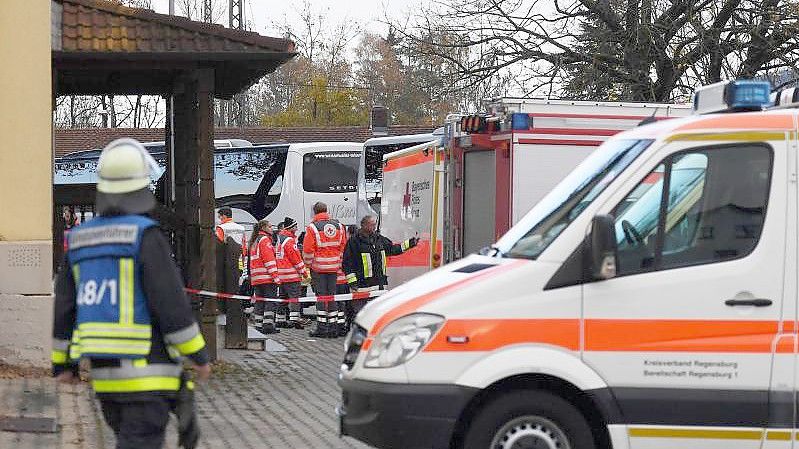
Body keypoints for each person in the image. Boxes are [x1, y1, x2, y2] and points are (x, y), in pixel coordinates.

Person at [52, 138, 211, 449]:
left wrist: (64, 365)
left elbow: (65, 308)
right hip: (148, 375)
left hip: (105, 378)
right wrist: (199, 356)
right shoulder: (145, 236)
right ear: (140, 188)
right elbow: (170, 302)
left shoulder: (79, 240)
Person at [343, 214, 418, 318]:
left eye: (374, 225)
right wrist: (352, 282)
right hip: (361, 285)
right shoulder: (354, 241)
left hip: (379, 284)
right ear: (363, 225)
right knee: (360, 315)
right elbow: (347, 263)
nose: (374, 227)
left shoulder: (379, 239)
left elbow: (393, 249)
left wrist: (410, 243)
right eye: (371, 225)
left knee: (378, 314)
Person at [302, 202, 346, 338]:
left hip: (319, 268)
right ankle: (333, 327)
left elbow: (308, 249)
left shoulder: (312, 227)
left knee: (321, 297)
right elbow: (343, 246)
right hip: (334, 268)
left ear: (315, 212)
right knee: (332, 296)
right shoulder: (339, 226)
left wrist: (308, 264)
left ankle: (322, 327)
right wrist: (338, 261)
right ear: (326, 210)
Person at [248, 219, 280, 334]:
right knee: (270, 301)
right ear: (264, 228)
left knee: (260, 301)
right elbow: (269, 260)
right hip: (266, 277)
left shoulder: (254, 240)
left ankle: (258, 325)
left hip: (257, 277)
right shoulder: (265, 240)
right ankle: (268, 325)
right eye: (270, 227)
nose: (272, 229)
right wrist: (275, 276)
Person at [275, 217, 307, 329]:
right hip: (291, 275)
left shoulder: (281, 239)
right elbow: (296, 258)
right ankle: (294, 320)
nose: (297, 228)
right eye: (295, 226)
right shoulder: (289, 241)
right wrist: (303, 271)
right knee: (295, 298)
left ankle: (280, 320)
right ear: (291, 228)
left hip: (282, 274)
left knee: (282, 298)